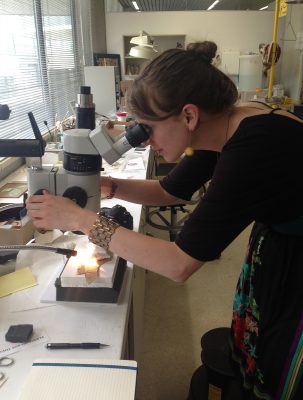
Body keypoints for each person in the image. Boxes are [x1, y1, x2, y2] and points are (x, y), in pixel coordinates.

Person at [26, 41, 303, 399]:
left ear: (188, 115)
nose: (144, 141)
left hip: (296, 260)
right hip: (281, 242)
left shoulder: (253, 148)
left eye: (147, 128)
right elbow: (171, 190)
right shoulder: (224, 121)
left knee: (284, 364)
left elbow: (178, 264)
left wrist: (82, 220)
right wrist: (105, 185)